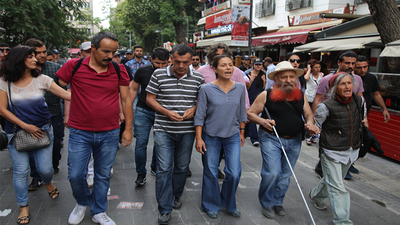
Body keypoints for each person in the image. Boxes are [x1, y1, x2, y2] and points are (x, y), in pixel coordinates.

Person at [56, 31, 132, 225]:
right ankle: (82, 202)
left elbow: (125, 99)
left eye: (114, 52)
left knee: (103, 174)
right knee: (75, 175)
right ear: (93, 49)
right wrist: (71, 103)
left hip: (109, 132)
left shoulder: (118, 69)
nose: (110, 56)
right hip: (80, 131)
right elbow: (59, 84)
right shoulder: (74, 66)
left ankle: (98, 211)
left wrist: (128, 129)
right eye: (106, 51)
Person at [0, 46, 71, 225]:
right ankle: (23, 206)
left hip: (43, 130)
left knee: (45, 169)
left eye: (35, 56)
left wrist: (94, 92)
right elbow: (1, 109)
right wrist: (25, 126)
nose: (35, 59)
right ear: (18, 59)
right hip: (15, 133)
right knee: (21, 171)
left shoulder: (42, 79)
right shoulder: (4, 81)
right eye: (30, 56)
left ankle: (47, 182)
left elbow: (66, 95)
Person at [247, 61, 319, 219]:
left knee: (286, 174)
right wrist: (263, 122)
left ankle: (277, 201)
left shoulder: (301, 95)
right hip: (271, 138)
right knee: (272, 172)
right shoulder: (266, 94)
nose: (289, 80)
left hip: (295, 140)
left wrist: (310, 124)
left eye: (292, 77)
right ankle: (266, 202)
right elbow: (250, 113)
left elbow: (308, 114)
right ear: (277, 79)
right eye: (284, 77)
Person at [146, 44, 204, 225]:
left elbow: (201, 102)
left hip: (187, 131)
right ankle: (164, 208)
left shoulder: (199, 78)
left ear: (192, 60)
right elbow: (149, 99)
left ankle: (176, 194)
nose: (180, 65)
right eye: (177, 61)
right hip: (163, 129)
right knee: (164, 169)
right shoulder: (158, 74)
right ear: (171, 58)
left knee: (181, 167)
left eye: (185, 62)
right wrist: (166, 112)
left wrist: (193, 109)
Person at [309, 72, 366, 225]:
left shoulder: (359, 101)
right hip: (332, 151)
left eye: (349, 83)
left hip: (351, 150)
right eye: (343, 84)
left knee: (335, 181)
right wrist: (313, 129)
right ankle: (342, 221)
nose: (347, 87)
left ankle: (316, 196)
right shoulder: (325, 106)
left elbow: (362, 119)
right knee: (338, 187)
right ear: (335, 87)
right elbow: (318, 126)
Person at [194, 55, 247, 219]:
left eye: (230, 65)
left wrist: (242, 132)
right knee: (210, 171)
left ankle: (229, 203)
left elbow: (242, 112)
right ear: (215, 69)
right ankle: (211, 204)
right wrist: (199, 137)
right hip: (211, 136)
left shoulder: (239, 88)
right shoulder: (206, 89)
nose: (228, 68)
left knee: (234, 172)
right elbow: (199, 115)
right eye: (223, 65)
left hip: (232, 135)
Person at [197, 42, 250, 179]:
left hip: (231, 121)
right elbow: (195, 94)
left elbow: (242, 96)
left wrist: (243, 122)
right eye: (217, 55)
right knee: (209, 160)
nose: (221, 59)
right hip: (209, 120)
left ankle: (226, 195)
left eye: (224, 56)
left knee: (233, 169)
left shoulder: (236, 72)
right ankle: (212, 181)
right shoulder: (201, 72)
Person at [312, 51, 364, 180]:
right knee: (331, 144)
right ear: (339, 63)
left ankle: (342, 166)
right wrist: (314, 122)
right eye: (347, 63)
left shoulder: (357, 79)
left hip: (349, 118)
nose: (350, 66)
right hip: (330, 117)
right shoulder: (327, 79)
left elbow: (360, 98)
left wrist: (364, 117)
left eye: (353, 63)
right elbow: (318, 99)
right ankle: (329, 168)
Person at [25, 38, 64, 191]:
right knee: (32, 147)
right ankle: (36, 177)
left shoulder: (55, 68)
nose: (42, 55)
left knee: (56, 142)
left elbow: (65, 90)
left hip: (54, 113)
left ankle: (52, 166)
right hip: (31, 118)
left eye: (43, 52)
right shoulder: (23, 72)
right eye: (37, 52)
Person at [130, 47, 169, 186]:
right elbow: (134, 89)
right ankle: (141, 173)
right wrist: (128, 108)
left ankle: (154, 166)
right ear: (151, 59)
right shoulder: (142, 71)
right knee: (141, 143)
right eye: (158, 63)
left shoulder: (171, 73)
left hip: (162, 112)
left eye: (164, 63)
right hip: (143, 111)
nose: (161, 66)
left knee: (160, 142)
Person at [353, 55, 390, 156]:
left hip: (364, 111)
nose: (362, 70)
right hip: (351, 111)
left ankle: (351, 161)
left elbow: (376, 94)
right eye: (359, 67)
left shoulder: (371, 78)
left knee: (361, 138)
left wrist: (384, 108)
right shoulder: (349, 78)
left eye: (365, 67)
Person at [244, 58, 266, 146]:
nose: (258, 66)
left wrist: (264, 81)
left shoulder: (263, 74)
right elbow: (246, 87)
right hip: (249, 98)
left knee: (251, 117)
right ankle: (255, 138)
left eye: (260, 64)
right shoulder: (247, 73)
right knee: (252, 117)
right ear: (253, 65)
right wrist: (251, 80)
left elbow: (264, 88)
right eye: (256, 64)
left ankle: (246, 133)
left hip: (259, 98)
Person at [304, 59, 324, 145]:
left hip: (318, 98)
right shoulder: (309, 75)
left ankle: (313, 136)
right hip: (309, 97)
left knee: (316, 116)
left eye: (319, 67)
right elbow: (306, 78)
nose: (318, 69)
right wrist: (308, 69)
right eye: (316, 67)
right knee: (309, 117)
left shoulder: (322, 75)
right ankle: (308, 136)